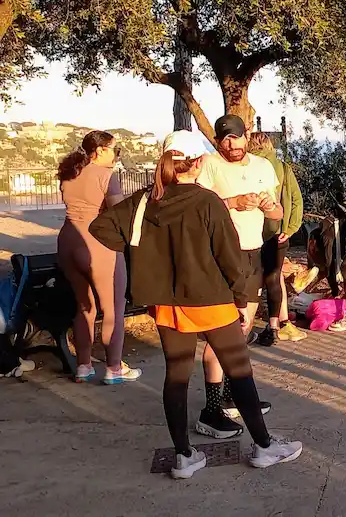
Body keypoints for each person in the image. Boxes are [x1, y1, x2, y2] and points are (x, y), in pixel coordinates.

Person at [89, 130, 302, 479]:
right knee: (239, 370)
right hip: (211, 300)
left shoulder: (146, 200)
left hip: (166, 304)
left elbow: (102, 228)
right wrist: (239, 296)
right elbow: (230, 258)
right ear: (200, 162)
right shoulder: (206, 202)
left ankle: (184, 456)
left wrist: (145, 255)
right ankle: (264, 446)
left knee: (177, 376)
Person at [193, 115, 279, 438]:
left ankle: (232, 398)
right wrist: (233, 202)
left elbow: (278, 214)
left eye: (237, 138)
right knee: (220, 335)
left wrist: (269, 206)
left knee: (241, 331)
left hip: (253, 254)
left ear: (247, 136)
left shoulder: (263, 167)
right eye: (225, 139)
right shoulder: (210, 166)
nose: (232, 145)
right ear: (218, 141)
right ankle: (211, 410)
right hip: (221, 256)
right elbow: (198, 209)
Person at [56, 130, 138, 384]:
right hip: (97, 243)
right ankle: (114, 367)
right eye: (115, 149)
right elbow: (118, 213)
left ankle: (83, 366)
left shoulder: (70, 173)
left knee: (84, 307)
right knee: (113, 309)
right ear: (100, 150)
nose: (117, 155)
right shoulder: (105, 176)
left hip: (68, 240)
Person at [247, 132, 307, 344]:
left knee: (251, 278)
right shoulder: (282, 167)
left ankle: (244, 325)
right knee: (274, 277)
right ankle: (274, 325)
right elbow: (297, 200)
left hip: (250, 232)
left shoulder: (247, 167)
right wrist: (290, 229)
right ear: (270, 145)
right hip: (278, 232)